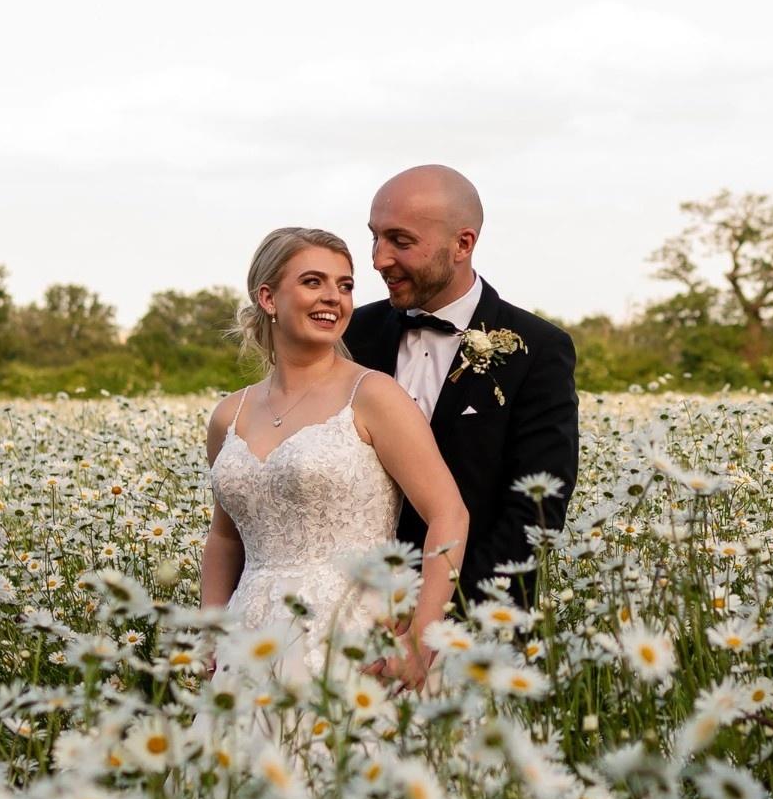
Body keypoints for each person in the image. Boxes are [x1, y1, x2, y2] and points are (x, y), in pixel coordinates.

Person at [200, 226, 468, 688]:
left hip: (352, 640)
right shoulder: (230, 414)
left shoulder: (373, 395)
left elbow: (449, 515)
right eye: (313, 282)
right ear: (268, 298)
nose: (334, 298)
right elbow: (225, 539)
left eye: (345, 285)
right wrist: (209, 629)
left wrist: (421, 638)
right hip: (247, 642)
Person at [343, 166, 579, 606]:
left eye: (401, 241)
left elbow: (537, 506)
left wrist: (440, 615)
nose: (378, 259)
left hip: (473, 624)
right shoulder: (350, 335)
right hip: (349, 614)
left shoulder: (538, 349)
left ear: (463, 244)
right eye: (375, 236)